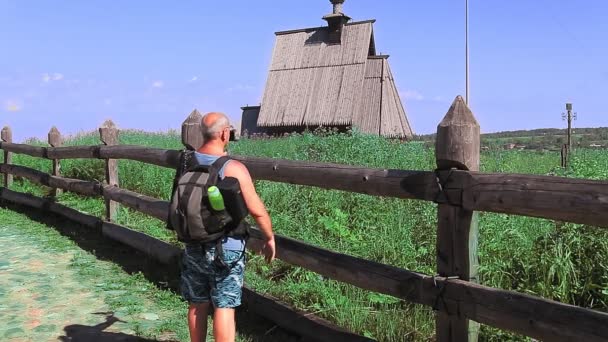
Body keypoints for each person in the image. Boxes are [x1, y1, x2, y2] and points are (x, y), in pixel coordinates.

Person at [180, 112, 276, 342]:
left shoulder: (186, 162)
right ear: (224, 133)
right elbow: (256, 210)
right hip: (227, 246)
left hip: (194, 242)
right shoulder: (232, 167)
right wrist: (269, 238)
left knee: (197, 303)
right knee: (224, 305)